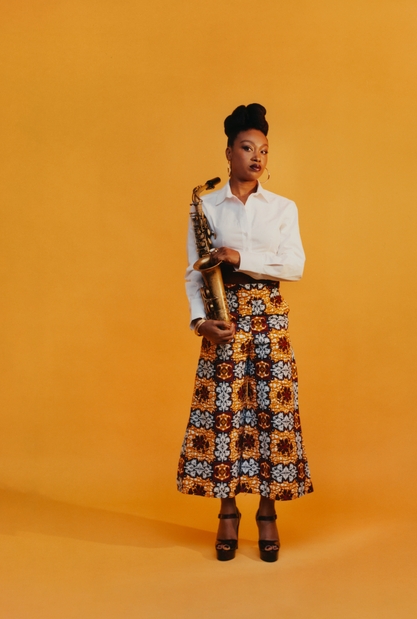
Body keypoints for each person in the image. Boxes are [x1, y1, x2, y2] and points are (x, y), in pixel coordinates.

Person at [177, 103, 313, 562]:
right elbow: (194, 272)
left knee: (273, 410)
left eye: (264, 150)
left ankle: (268, 512)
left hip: (269, 316)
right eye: (247, 147)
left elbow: (294, 266)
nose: (257, 157)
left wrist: (241, 258)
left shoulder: (283, 208)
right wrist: (200, 322)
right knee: (224, 411)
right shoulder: (206, 206)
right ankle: (227, 511)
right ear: (229, 152)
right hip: (224, 316)